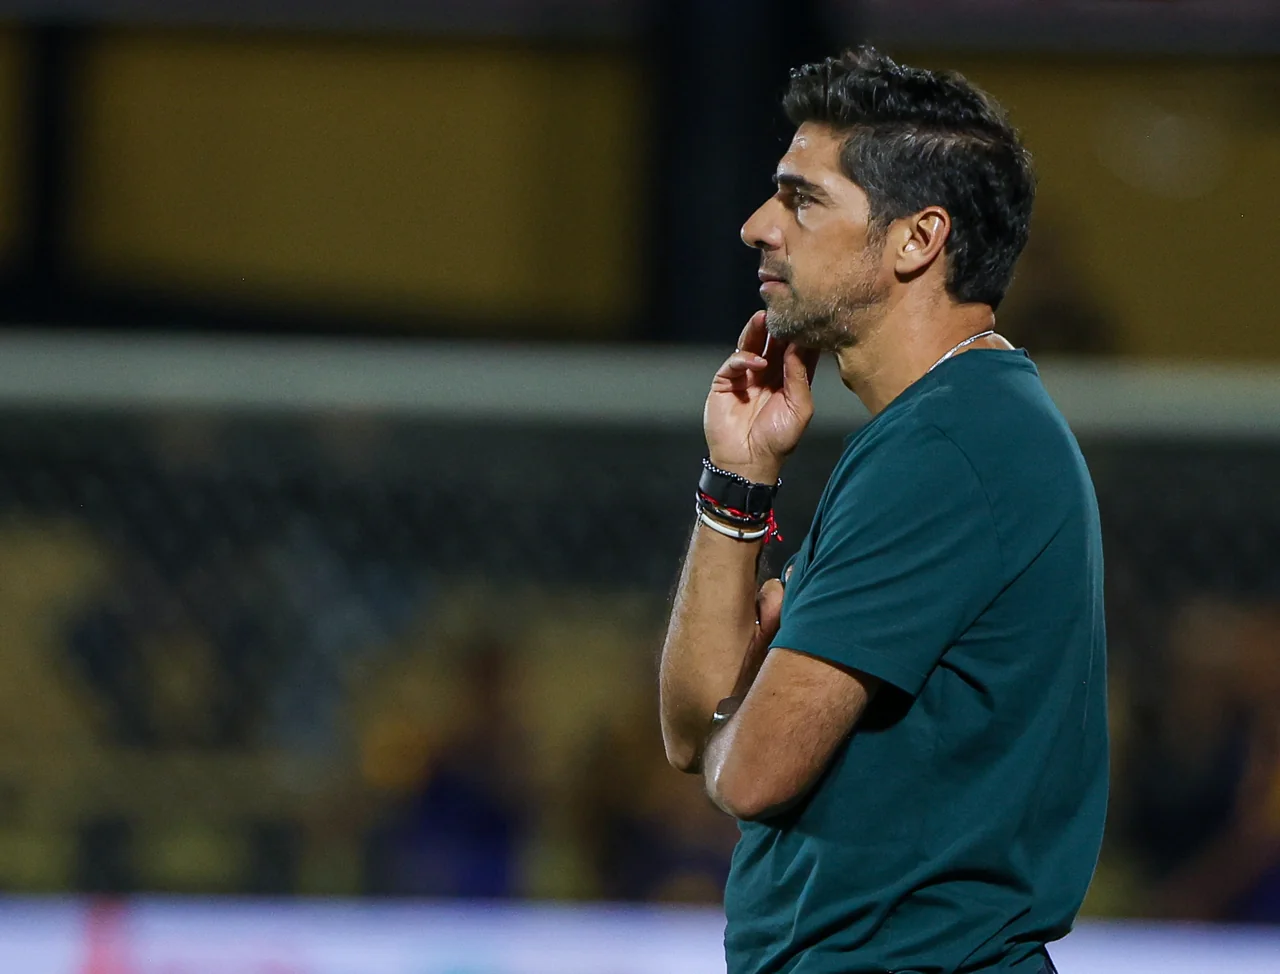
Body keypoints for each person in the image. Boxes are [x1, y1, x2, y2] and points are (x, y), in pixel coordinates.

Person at [658, 47, 1107, 974]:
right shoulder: (942, 431)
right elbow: (690, 733)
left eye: (802, 200)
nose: (756, 226)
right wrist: (739, 476)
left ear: (917, 239)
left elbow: (746, 774)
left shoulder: (951, 448)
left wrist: (749, 699)